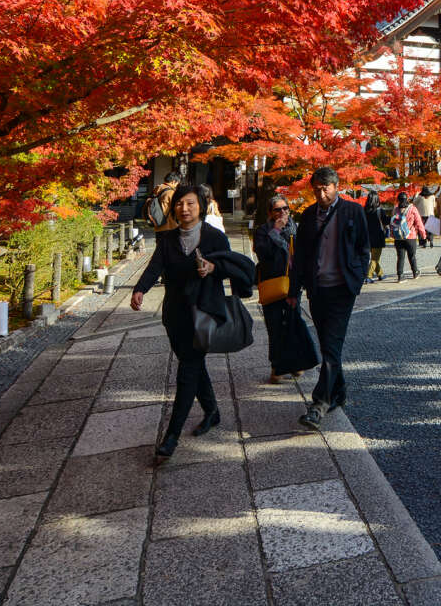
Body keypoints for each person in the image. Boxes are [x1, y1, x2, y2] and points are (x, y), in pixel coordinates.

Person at [131, 184, 252, 459]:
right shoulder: (168, 239)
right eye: (179, 204)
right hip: (175, 315)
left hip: (204, 312)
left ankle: (171, 437)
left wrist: (212, 268)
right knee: (193, 365)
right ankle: (212, 412)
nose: (184, 209)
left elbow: (229, 266)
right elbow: (154, 267)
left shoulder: (214, 237)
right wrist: (140, 289)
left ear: (201, 207)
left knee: (187, 371)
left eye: (190, 204)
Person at [291, 166, 371, 430]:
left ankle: (319, 404)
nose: (321, 193)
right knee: (328, 344)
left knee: (331, 344)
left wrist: (356, 279)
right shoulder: (308, 215)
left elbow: (363, 248)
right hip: (318, 288)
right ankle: (339, 390)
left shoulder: (352, 211)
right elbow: (300, 256)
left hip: (341, 288)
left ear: (336, 186)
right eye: (316, 188)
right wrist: (295, 290)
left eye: (326, 187)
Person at [253, 195, 316, 384]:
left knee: (294, 322)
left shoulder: (295, 229)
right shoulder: (263, 231)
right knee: (274, 326)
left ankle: (296, 363)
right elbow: (264, 254)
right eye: (277, 209)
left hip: (292, 283)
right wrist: (275, 232)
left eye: (285, 208)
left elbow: (303, 255)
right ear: (270, 213)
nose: (282, 212)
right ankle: (277, 367)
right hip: (273, 283)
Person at [388, 191, 426, 281]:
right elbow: (419, 223)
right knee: (412, 256)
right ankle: (415, 272)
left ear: (398, 200)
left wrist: (392, 234)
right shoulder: (412, 209)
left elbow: (392, 223)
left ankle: (400, 276)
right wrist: (423, 235)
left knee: (400, 257)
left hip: (398, 238)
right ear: (407, 199)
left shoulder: (395, 210)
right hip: (410, 236)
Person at [363, 190, 389, 283]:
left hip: (367, 236)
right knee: (375, 258)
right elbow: (386, 222)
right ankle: (368, 276)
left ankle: (380, 274)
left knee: (374, 257)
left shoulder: (364, 210)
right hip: (378, 236)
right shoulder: (380, 211)